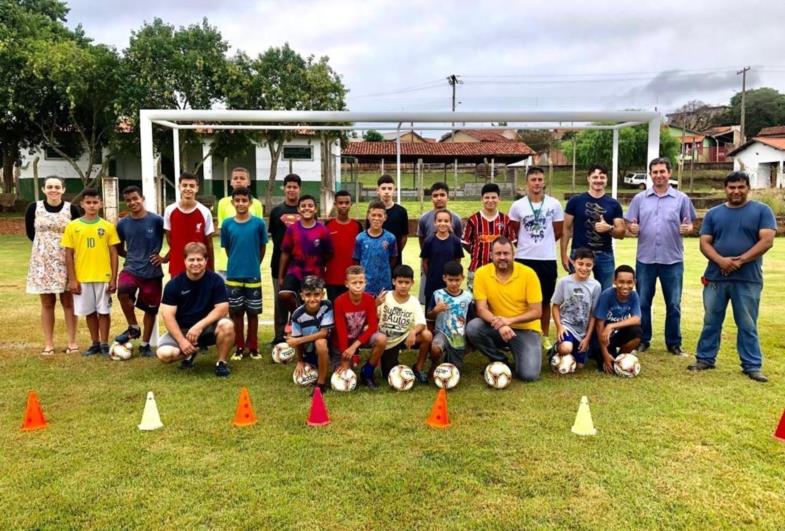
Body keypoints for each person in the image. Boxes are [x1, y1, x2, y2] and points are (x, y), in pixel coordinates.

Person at [689, 172, 776, 383]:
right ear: (725, 189)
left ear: (748, 188)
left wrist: (740, 260)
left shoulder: (762, 211)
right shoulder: (714, 214)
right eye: (732, 187)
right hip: (716, 278)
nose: (736, 191)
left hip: (748, 278)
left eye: (740, 187)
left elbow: (767, 241)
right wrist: (721, 261)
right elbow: (705, 242)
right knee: (711, 320)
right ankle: (705, 359)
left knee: (747, 323)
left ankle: (752, 365)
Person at [626, 157, 697, 356]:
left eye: (662, 171)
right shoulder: (640, 199)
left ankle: (673, 343)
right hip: (645, 259)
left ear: (669, 173)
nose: (658, 175)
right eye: (655, 172)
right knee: (642, 303)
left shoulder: (681, 199)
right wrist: (633, 228)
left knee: (673, 304)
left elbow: (690, 224)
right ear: (650, 175)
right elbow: (631, 226)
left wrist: (688, 228)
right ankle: (642, 339)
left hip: (672, 260)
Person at [465, 236, 543, 382]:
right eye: (498, 254)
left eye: (506, 253)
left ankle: (520, 357)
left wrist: (509, 321)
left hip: (526, 330)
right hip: (496, 328)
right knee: (473, 328)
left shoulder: (528, 274)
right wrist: (500, 324)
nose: (502, 257)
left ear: (513, 254)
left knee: (529, 375)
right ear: (491, 255)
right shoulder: (481, 273)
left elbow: (537, 312)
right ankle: (500, 361)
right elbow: (481, 309)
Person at [156, 242, 235, 377]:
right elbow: (168, 316)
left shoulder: (216, 281)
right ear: (185, 261)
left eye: (199, 259)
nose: (195, 263)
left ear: (206, 261)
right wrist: (182, 341)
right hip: (183, 330)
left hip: (208, 328)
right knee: (165, 355)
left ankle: (221, 362)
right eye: (191, 259)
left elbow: (222, 308)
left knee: (227, 325)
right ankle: (190, 352)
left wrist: (199, 326)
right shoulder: (173, 284)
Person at [509, 167, 565, 346]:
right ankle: (521, 333)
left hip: (546, 259)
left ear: (544, 182)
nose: (537, 183)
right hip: (524, 258)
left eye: (540, 179)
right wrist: (528, 246)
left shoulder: (554, 204)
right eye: (533, 179)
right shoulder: (518, 206)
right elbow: (514, 231)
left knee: (545, 299)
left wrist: (543, 244)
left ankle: (544, 335)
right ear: (527, 182)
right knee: (521, 299)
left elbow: (558, 231)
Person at [25, 176, 81, 356]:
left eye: (57, 187)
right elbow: (30, 233)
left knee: (68, 301)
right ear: (43, 189)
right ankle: (48, 343)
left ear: (63, 190)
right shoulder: (34, 208)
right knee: (47, 303)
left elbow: (77, 233)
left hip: (67, 261)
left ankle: (72, 342)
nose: (53, 190)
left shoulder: (71, 209)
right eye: (49, 186)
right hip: (42, 262)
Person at [61, 188, 120, 356]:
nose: (92, 206)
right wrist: (72, 279)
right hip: (83, 277)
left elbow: (113, 253)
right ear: (82, 204)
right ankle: (94, 342)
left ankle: (104, 343)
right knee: (89, 312)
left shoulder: (107, 226)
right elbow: (68, 254)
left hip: (103, 276)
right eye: (88, 202)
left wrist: (113, 278)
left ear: (100, 204)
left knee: (103, 311)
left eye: (95, 202)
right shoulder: (73, 226)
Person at [114, 185, 165, 357]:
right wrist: (131, 256)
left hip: (152, 271)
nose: (132, 202)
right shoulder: (122, 224)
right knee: (123, 292)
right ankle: (133, 327)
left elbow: (173, 239)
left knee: (151, 309)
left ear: (142, 199)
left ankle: (145, 345)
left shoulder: (157, 220)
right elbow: (119, 247)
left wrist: (164, 258)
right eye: (128, 200)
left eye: (135, 198)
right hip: (131, 268)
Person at [221, 187, 268, 361]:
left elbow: (262, 247)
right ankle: (240, 346)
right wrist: (237, 262)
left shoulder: (258, 223)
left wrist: (254, 263)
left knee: (253, 312)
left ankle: (253, 346)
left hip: (253, 274)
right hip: (233, 275)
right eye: (237, 200)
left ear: (250, 202)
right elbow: (228, 248)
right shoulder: (227, 224)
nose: (241, 203)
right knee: (237, 312)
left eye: (244, 200)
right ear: (233, 202)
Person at [561, 164, 625, 291]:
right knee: (577, 293)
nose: (598, 180)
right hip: (579, 254)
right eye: (595, 177)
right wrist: (563, 254)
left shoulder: (614, 204)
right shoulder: (575, 201)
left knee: (605, 293)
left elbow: (621, 233)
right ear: (588, 179)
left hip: (604, 255)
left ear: (606, 180)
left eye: (602, 177)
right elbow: (566, 229)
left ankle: (601, 312)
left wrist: (609, 228)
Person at [278, 195, 334, 319]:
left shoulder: (322, 230)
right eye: (303, 206)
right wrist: (281, 276)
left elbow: (329, 252)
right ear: (298, 209)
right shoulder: (292, 229)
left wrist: (319, 263)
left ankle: (310, 326)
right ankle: (297, 316)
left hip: (315, 272)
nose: (307, 208)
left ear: (315, 209)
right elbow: (285, 252)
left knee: (312, 302)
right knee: (284, 294)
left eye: (310, 206)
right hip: (296, 270)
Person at [333, 266, 387, 389]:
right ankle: (345, 360)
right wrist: (345, 358)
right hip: (342, 342)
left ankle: (367, 373)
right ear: (347, 284)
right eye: (354, 282)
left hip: (360, 338)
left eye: (361, 282)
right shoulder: (339, 301)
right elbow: (341, 331)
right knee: (342, 374)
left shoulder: (368, 299)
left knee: (381, 339)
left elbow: (373, 327)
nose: (358, 286)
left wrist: (353, 347)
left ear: (365, 283)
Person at [376, 264, 433, 382]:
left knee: (427, 335)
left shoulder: (414, 301)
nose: (403, 286)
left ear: (412, 283)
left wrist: (413, 331)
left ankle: (418, 368)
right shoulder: (385, 296)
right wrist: (375, 304)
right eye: (400, 282)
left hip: (405, 337)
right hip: (387, 340)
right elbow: (372, 317)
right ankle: (384, 360)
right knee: (388, 375)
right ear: (393, 281)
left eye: (407, 282)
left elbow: (422, 323)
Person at [551, 248, 601, 370]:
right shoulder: (564, 282)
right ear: (573, 262)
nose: (584, 268)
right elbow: (555, 306)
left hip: (582, 332)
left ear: (593, 265)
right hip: (567, 326)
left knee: (580, 366)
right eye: (580, 264)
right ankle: (556, 350)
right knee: (566, 348)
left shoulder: (596, 286)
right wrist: (559, 327)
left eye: (588, 265)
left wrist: (587, 338)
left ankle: (574, 352)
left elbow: (593, 314)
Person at [462, 183, 515, 290]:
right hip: (477, 268)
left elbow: (511, 243)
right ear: (481, 199)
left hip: (500, 269)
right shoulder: (473, 220)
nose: (490, 200)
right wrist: (477, 253)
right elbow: (465, 242)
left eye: (493, 197)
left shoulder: (505, 219)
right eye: (487, 197)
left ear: (499, 199)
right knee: (475, 301)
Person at [269, 174, 302, 343]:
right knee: (280, 301)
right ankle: (279, 337)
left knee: (302, 300)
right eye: (288, 186)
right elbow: (274, 237)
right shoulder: (276, 212)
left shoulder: (305, 210)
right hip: (278, 265)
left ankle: (301, 334)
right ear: (284, 188)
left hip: (301, 266)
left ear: (299, 189)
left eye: (295, 187)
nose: (291, 190)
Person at [214, 167, 263, 280]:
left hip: (250, 263)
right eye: (235, 178)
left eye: (242, 178)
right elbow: (223, 232)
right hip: (227, 262)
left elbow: (259, 236)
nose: (238, 181)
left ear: (249, 182)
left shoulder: (256, 204)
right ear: (231, 182)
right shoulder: (223, 203)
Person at [417, 182, 462, 303]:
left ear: (448, 196)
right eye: (435, 195)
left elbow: (458, 243)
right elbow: (422, 240)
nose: (439, 198)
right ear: (431, 198)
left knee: (449, 302)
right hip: (431, 267)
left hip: (449, 268)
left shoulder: (456, 219)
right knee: (429, 300)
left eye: (442, 195)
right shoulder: (424, 218)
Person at [163, 172, 214, 278]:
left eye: (192, 186)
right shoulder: (169, 210)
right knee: (178, 294)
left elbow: (209, 243)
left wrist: (212, 269)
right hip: (177, 265)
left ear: (197, 188)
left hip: (199, 266)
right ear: (179, 187)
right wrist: (176, 252)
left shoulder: (204, 211)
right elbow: (169, 237)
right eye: (184, 185)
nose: (188, 188)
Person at [290, 276, 335, 395]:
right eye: (308, 295)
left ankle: (321, 384)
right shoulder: (296, 315)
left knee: (321, 342)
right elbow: (297, 340)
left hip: (325, 349)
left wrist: (298, 341)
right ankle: (312, 364)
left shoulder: (327, 306)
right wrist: (300, 360)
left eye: (316, 294)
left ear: (323, 294)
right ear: (302, 296)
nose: (312, 299)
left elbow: (324, 333)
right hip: (308, 351)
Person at [594, 265, 642, 374]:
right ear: (614, 281)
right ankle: (601, 353)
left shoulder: (634, 295)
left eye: (629, 282)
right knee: (606, 367)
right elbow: (599, 325)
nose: (625, 286)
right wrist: (605, 354)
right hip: (603, 338)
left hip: (616, 332)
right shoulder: (607, 295)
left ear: (634, 282)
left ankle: (621, 356)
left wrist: (611, 326)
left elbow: (637, 319)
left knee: (637, 332)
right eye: (621, 282)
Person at [427, 261, 473, 372]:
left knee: (454, 371)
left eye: (457, 280)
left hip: (459, 335)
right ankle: (435, 363)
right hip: (441, 332)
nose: (454, 283)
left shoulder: (467, 297)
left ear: (462, 278)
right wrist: (435, 311)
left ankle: (451, 358)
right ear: (444, 278)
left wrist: (468, 338)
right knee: (435, 348)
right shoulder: (437, 294)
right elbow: (429, 316)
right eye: (450, 280)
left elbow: (471, 317)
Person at [354, 201, 398, 297]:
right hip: (366, 283)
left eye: (379, 215)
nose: (376, 218)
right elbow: (356, 259)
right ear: (368, 216)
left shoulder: (390, 238)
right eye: (373, 215)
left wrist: (385, 270)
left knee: (383, 309)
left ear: (385, 217)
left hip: (384, 283)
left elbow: (394, 257)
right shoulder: (360, 238)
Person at [325, 190, 363, 301]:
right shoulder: (328, 225)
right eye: (340, 203)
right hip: (332, 278)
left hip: (353, 278)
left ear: (351, 204)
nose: (343, 206)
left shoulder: (357, 226)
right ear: (335, 204)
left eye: (347, 203)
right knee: (335, 310)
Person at [420, 209, 464, 306]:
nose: (442, 223)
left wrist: (452, 276)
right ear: (435, 223)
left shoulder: (456, 241)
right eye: (439, 221)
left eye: (446, 221)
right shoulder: (428, 241)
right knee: (431, 313)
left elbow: (457, 260)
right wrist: (431, 275)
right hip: (432, 283)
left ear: (451, 223)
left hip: (450, 284)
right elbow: (425, 262)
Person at [374, 174, 409, 268]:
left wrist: (395, 252)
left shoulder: (401, 211)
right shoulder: (373, 211)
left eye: (389, 188)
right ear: (378, 190)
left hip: (395, 259)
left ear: (394, 190)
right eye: (383, 188)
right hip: (376, 257)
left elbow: (404, 236)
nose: (386, 192)